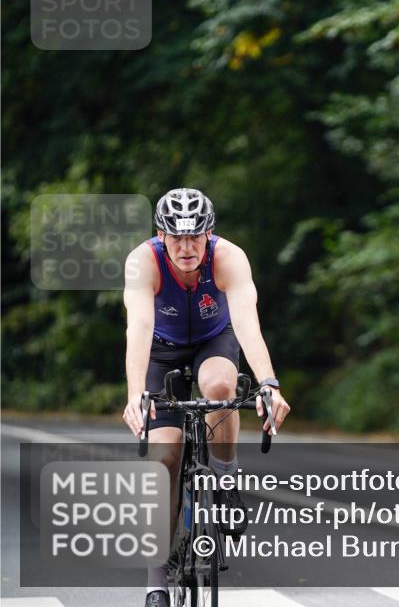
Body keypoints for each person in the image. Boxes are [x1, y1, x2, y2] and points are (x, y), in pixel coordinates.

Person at [121, 188, 291, 607]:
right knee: (164, 461)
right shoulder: (143, 261)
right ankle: (156, 583)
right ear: (160, 235)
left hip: (216, 340)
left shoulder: (229, 258)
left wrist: (269, 383)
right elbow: (139, 328)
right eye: (175, 237)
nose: (185, 247)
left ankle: (226, 476)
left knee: (220, 389)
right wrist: (136, 394)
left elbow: (248, 325)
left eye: (194, 236)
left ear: (209, 233)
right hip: (161, 349)